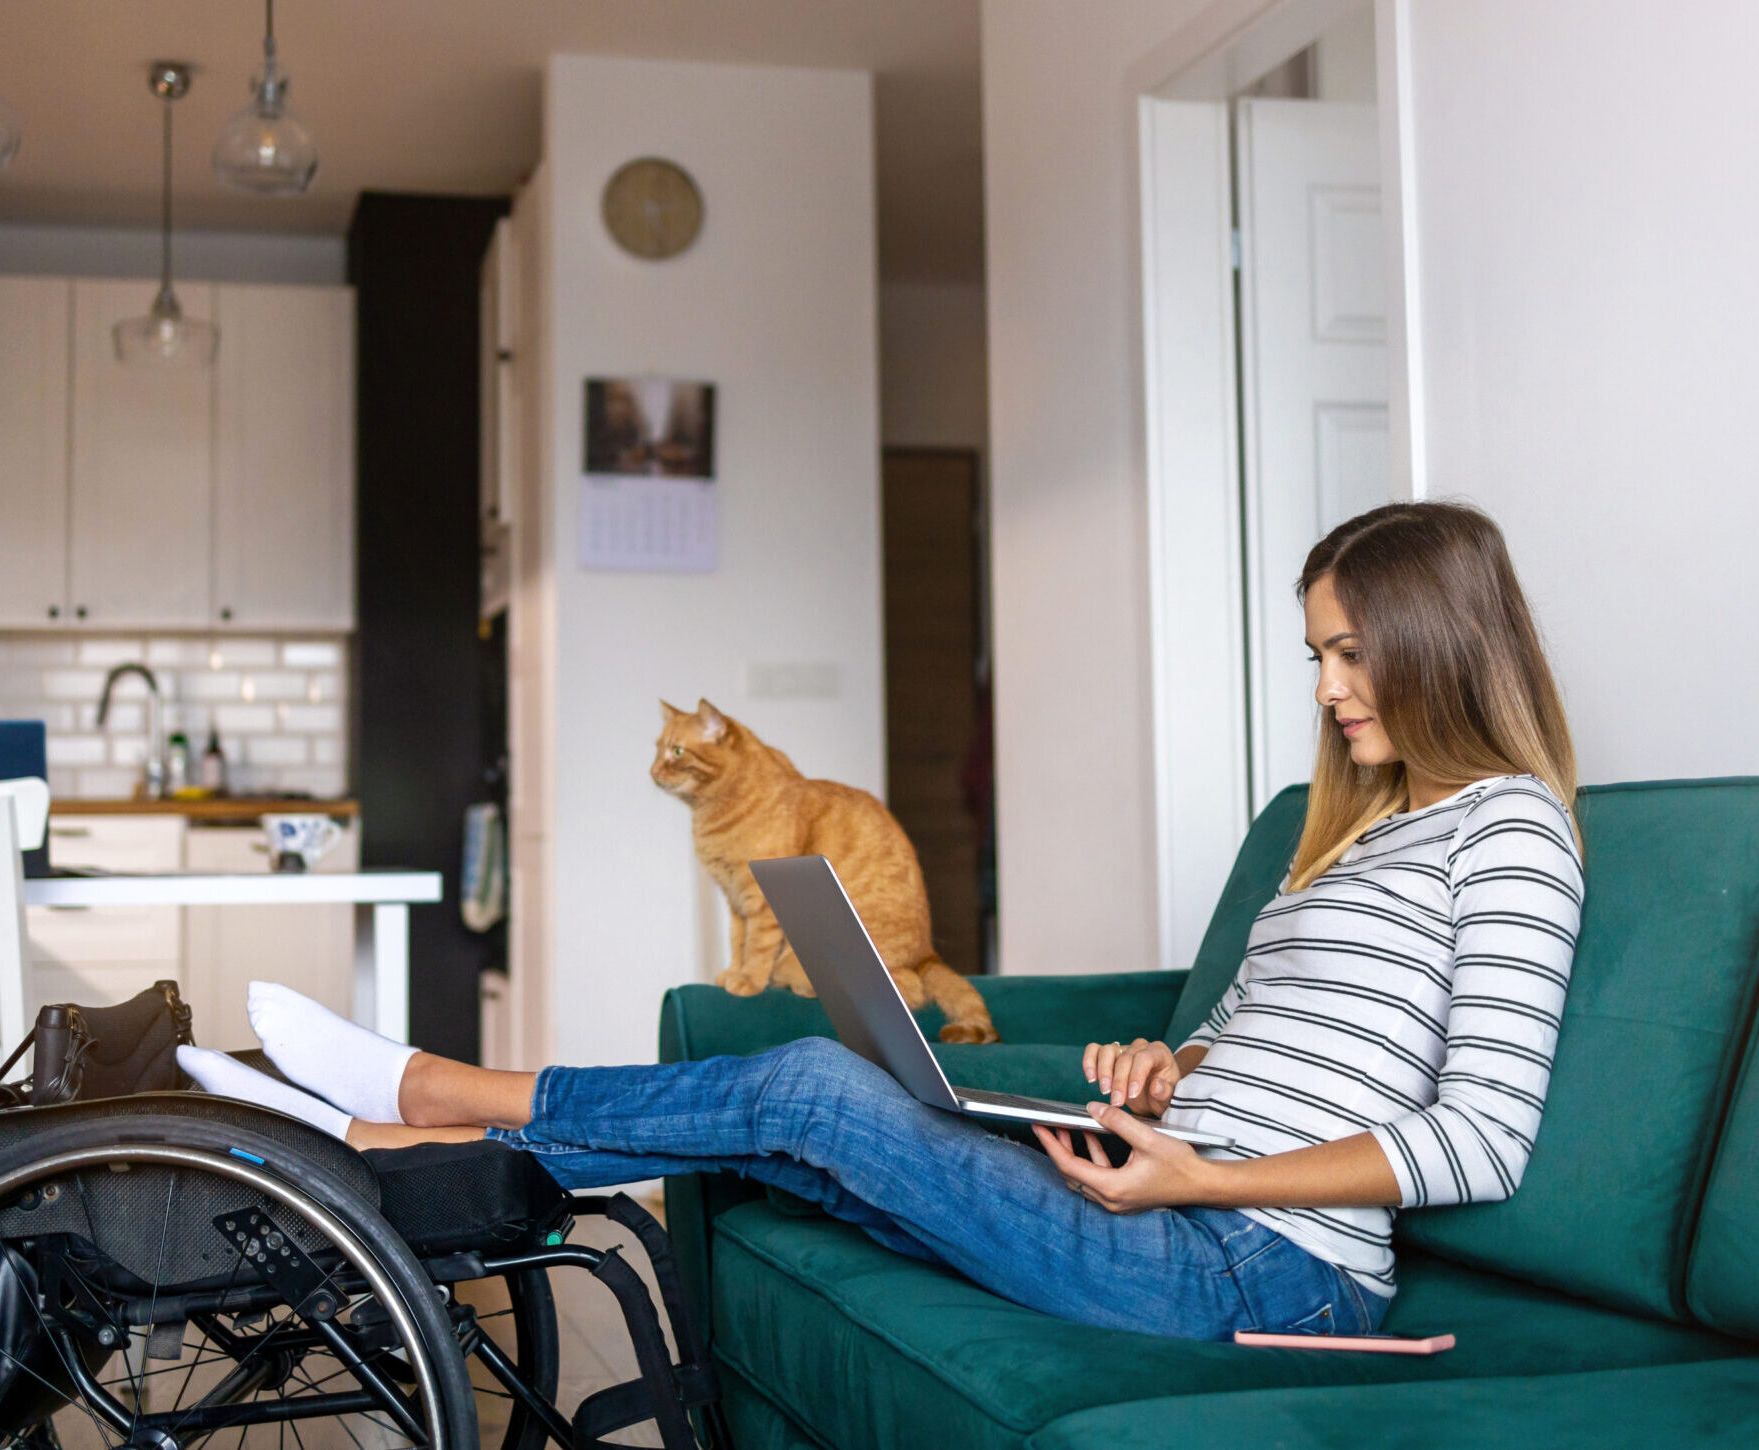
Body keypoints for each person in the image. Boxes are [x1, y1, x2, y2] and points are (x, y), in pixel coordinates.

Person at [178, 501, 1584, 1341]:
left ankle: (416, 1091)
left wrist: (1201, 1179)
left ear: (1436, 639)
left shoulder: (1507, 823)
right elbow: (1239, 1039)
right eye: (1316, 652)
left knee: (806, 1086)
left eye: (1347, 649)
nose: (1328, 681)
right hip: (1171, 1192)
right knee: (792, 1143)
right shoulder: (1333, 830)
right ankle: (381, 1140)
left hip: (1261, 1270)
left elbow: (1479, 1137)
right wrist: (1168, 1072)